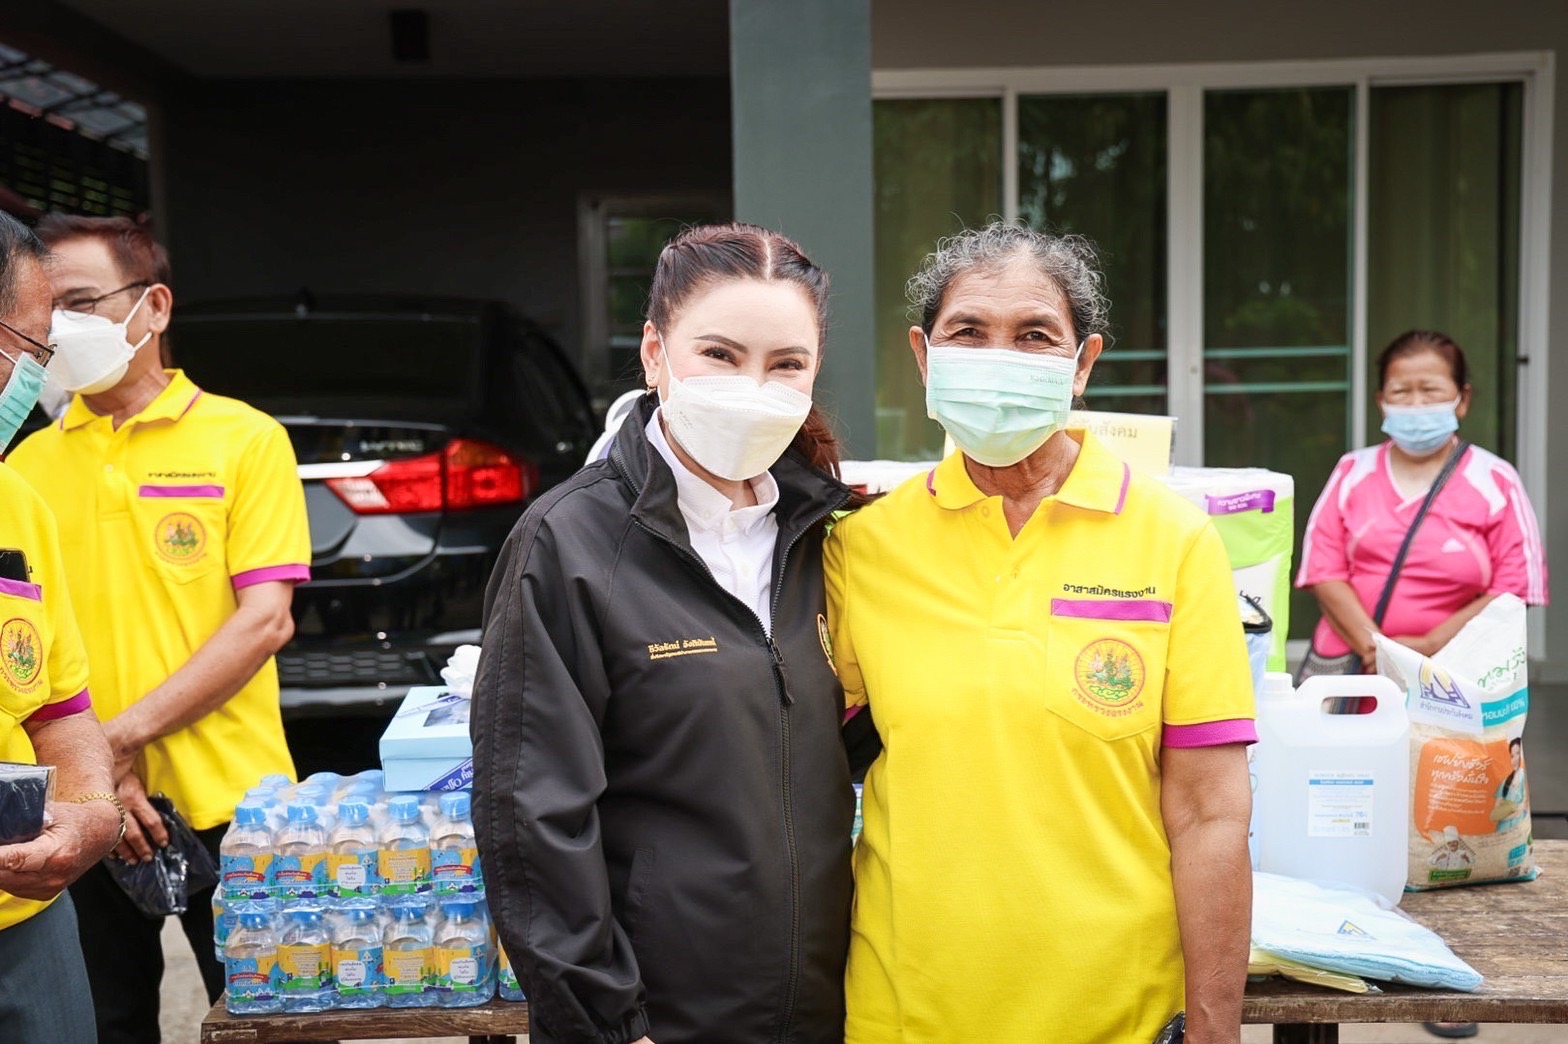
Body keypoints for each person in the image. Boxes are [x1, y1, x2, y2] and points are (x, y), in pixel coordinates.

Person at [826, 223, 1256, 1043]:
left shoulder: (1174, 541)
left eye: (1033, 335)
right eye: (968, 332)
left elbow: (1210, 814)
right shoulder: (864, 547)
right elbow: (800, 771)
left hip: (1119, 1010)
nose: (1000, 357)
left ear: (1082, 363)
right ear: (923, 355)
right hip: (905, 1009)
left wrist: (1214, 1026)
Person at [472, 223, 860, 1043]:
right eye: (720, 354)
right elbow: (533, 820)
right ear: (655, 353)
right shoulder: (570, 544)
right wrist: (607, 1023)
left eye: (786, 363)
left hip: (822, 1008)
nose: (754, 386)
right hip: (659, 1018)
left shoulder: (824, 536)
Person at [7, 214, 310, 1043]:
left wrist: (118, 740)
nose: (62, 329)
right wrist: (96, 774)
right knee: (108, 1021)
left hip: (234, 798)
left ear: (156, 306)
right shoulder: (24, 465)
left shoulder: (245, 440)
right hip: (78, 809)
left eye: (81, 302)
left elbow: (264, 621)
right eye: (49, 312)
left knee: (267, 1019)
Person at [0, 211, 126, 1043]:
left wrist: (90, 810)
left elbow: (59, 706)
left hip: (26, 920)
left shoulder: (17, 502)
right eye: (30, 347)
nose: (33, 378)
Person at [1298, 330, 1548, 675]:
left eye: (1430, 391)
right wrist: (1376, 648)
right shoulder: (1352, 471)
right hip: (1354, 673)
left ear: (1462, 399)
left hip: (1457, 675)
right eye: (1401, 392)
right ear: (1381, 401)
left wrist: (1430, 646)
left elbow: (1515, 588)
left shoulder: (1496, 480)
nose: (1416, 404)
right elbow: (1323, 571)